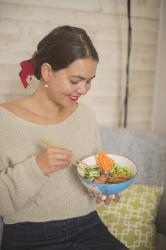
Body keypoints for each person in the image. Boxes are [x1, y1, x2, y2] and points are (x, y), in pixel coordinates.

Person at [0, 25, 128, 250]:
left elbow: (96, 168)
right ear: (48, 72)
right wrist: (36, 167)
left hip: (90, 227)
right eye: (76, 80)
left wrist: (101, 185)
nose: (84, 90)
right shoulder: (5, 121)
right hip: (30, 235)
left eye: (89, 80)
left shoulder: (85, 115)